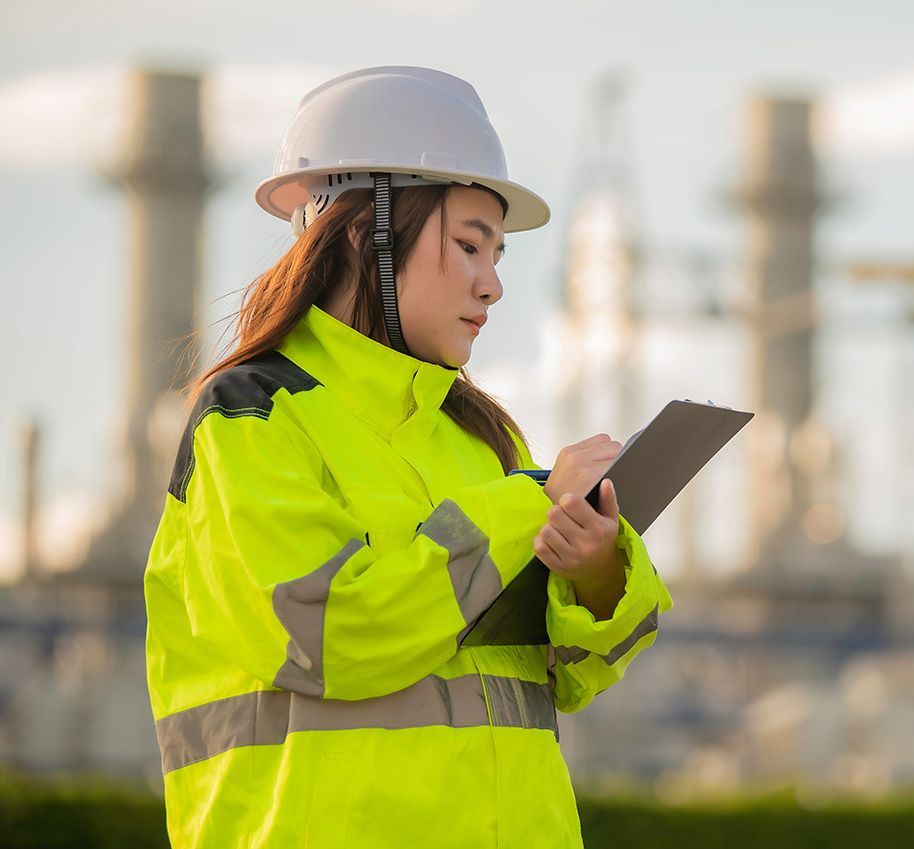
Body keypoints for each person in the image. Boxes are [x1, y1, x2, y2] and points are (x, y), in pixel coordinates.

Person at [142, 66, 673, 848]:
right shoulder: (251, 420)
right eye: (468, 245)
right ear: (365, 232)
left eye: (497, 255)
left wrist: (596, 570)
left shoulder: (483, 441)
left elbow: (567, 674)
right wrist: (529, 503)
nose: (491, 285)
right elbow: (326, 634)